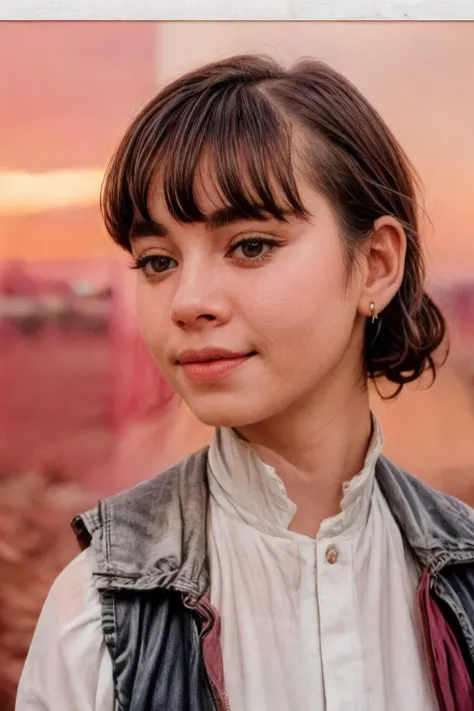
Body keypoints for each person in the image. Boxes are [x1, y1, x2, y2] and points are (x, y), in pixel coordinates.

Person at [16, 54, 474, 711]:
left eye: (251, 245)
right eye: (157, 260)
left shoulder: (465, 581)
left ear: (375, 264)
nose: (188, 300)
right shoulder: (96, 610)